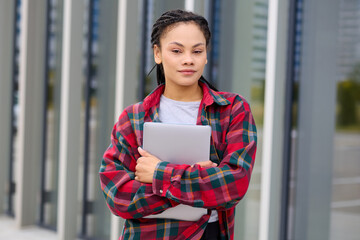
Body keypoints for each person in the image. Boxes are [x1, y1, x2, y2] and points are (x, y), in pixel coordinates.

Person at [99, 9, 257, 240]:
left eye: (197, 51)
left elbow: (233, 185)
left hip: (207, 234)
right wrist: (197, 180)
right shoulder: (133, 118)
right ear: (158, 53)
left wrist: (158, 174)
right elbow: (118, 196)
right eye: (176, 50)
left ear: (205, 55)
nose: (188, 59)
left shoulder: (232, 109)